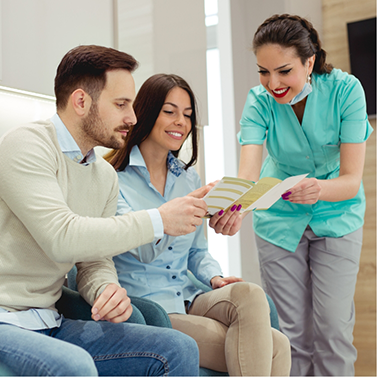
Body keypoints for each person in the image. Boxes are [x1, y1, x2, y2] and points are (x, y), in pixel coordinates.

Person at [0, 45, 209, 376]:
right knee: (75, 365)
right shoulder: (26, 146)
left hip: (50, 320)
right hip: (4, 321)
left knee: (177, 347)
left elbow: (93, 259)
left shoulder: (103, 175)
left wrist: (105, 289)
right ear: (81, 102)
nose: (133, 117)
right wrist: (160, 220)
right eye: (121, 104)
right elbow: (62, 237)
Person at [105, 73, 292, 377]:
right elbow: (141, 250)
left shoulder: (188, 178)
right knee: (276, 347)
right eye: (170, 111)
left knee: (251, 295)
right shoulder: (113, 178)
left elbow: (197, 252)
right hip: (150, 307)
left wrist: (214, 277)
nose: (181, 121)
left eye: (188, 115)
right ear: (146, 112)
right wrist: (175, 213)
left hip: (190, 295)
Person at [224, 14, 373, 376]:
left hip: (337, 214)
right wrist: (235, 207)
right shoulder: (258, 102)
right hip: (277, 218)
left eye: (284, 71)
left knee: (334, 331)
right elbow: (248, 173)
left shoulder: (346, 90)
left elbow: (351, 180)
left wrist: (319, 189)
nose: (272, 83)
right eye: (263, 71)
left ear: (310, 62)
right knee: (290, 335)